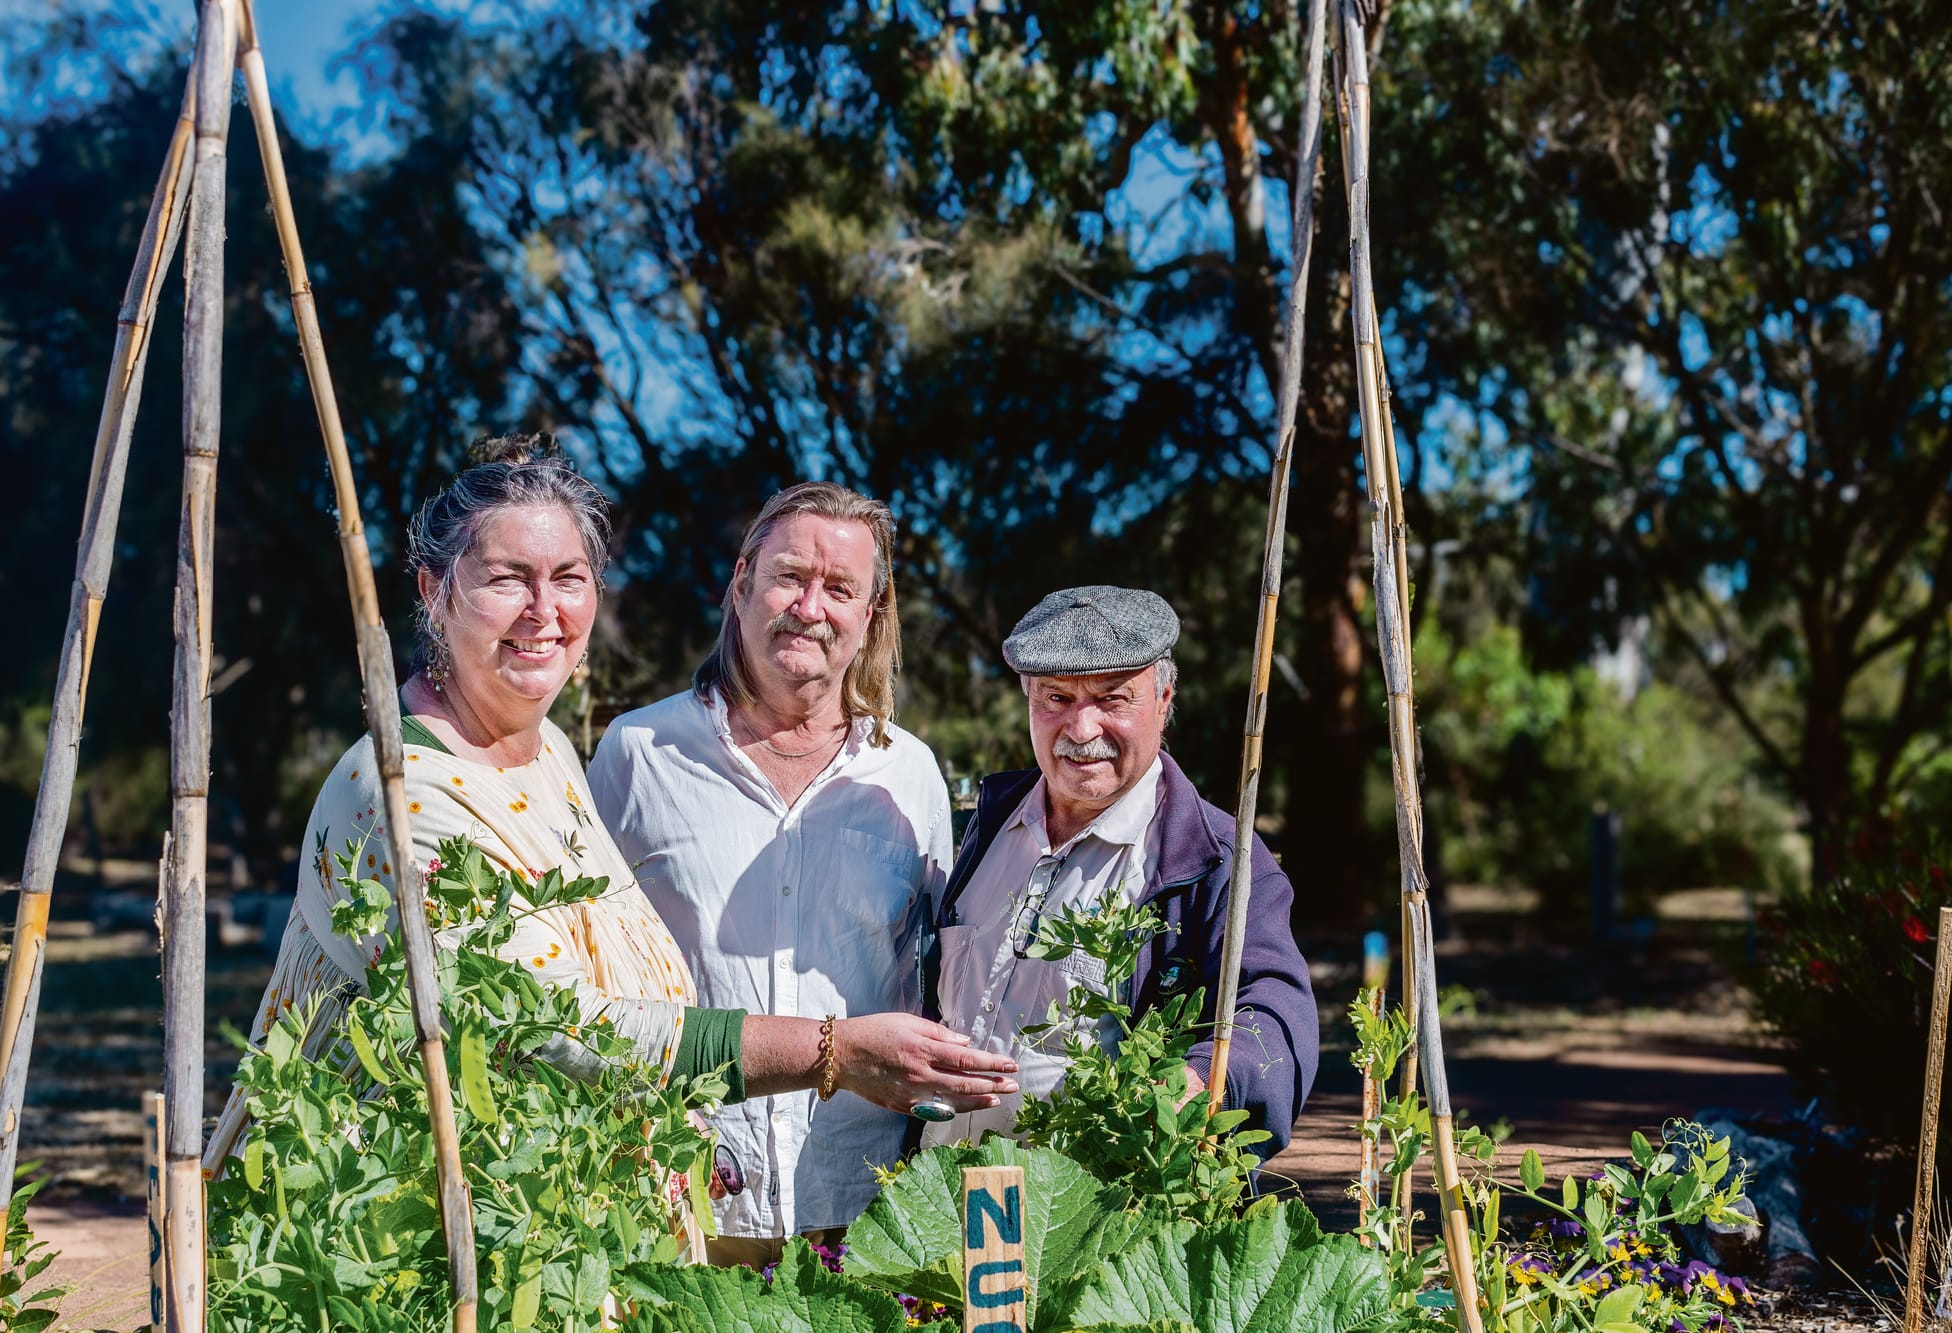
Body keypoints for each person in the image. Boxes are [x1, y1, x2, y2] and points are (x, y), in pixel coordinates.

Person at [203, 442, 1015, 1261]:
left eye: (568, 579)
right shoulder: (400, 789)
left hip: (547, 1222)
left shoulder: (545, 750)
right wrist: (835, 1051)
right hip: (383, 1238)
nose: (542, 610)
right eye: (506, 576)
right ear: (433, 589)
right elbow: (546, 1027)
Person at [589, 482, 1011, 1268]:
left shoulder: (907, 773)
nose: (810, 606)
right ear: (741, 582)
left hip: (863, 1209)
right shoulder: (638, 754)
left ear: (870, 618)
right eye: (789, 576)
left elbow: (940, 971)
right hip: (681, 1201)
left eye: (840, 588)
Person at [919, 585, 1318, 1154]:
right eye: (1055, 698)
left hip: (1100, 1221)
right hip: (949, 1207)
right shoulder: (983, 826)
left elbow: (1277, 1013)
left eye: (1112, 699)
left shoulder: (1216, 862)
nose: (1081, 730)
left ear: (1164, 699)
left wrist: (1203, 1080)